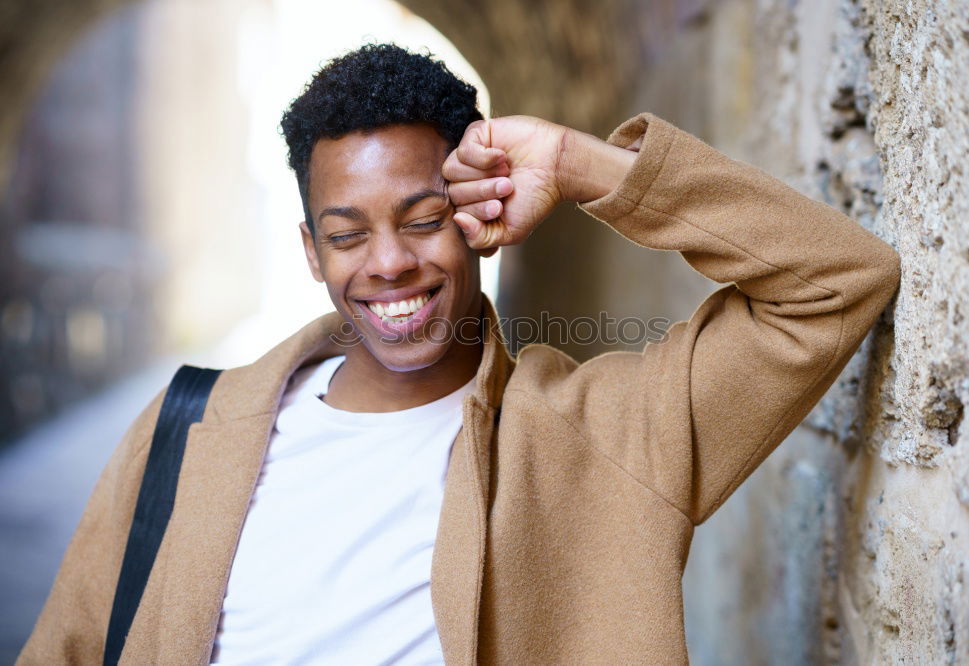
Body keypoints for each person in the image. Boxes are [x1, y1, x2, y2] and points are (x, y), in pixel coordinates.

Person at [19, 43, 900, 665]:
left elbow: (835, 281)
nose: (389, 263)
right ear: (310, 252)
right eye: (347, 234)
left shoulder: (607, 438)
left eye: (424, 219)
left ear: (479, 219)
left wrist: (579, 163)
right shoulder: (190, 434)